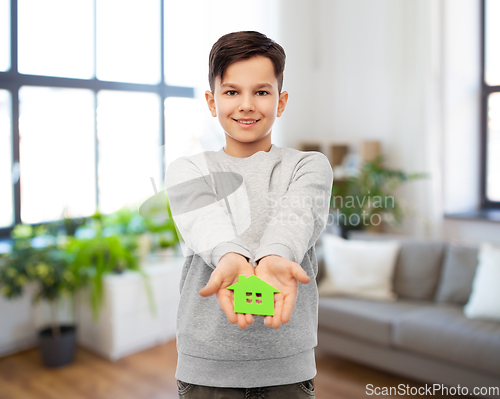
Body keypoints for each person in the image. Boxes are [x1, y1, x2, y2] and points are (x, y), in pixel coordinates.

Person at [165, 30, 333, 399]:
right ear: (211, 101)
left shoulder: (308, 165)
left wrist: (275, 255)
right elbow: (205, 222)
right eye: (231, 92)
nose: (246, 105)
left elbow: (297, 217)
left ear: (281, 100)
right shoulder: (187, 169)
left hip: (288, 367)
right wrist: (230, 256)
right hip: (206, 369)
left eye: (261, 91)